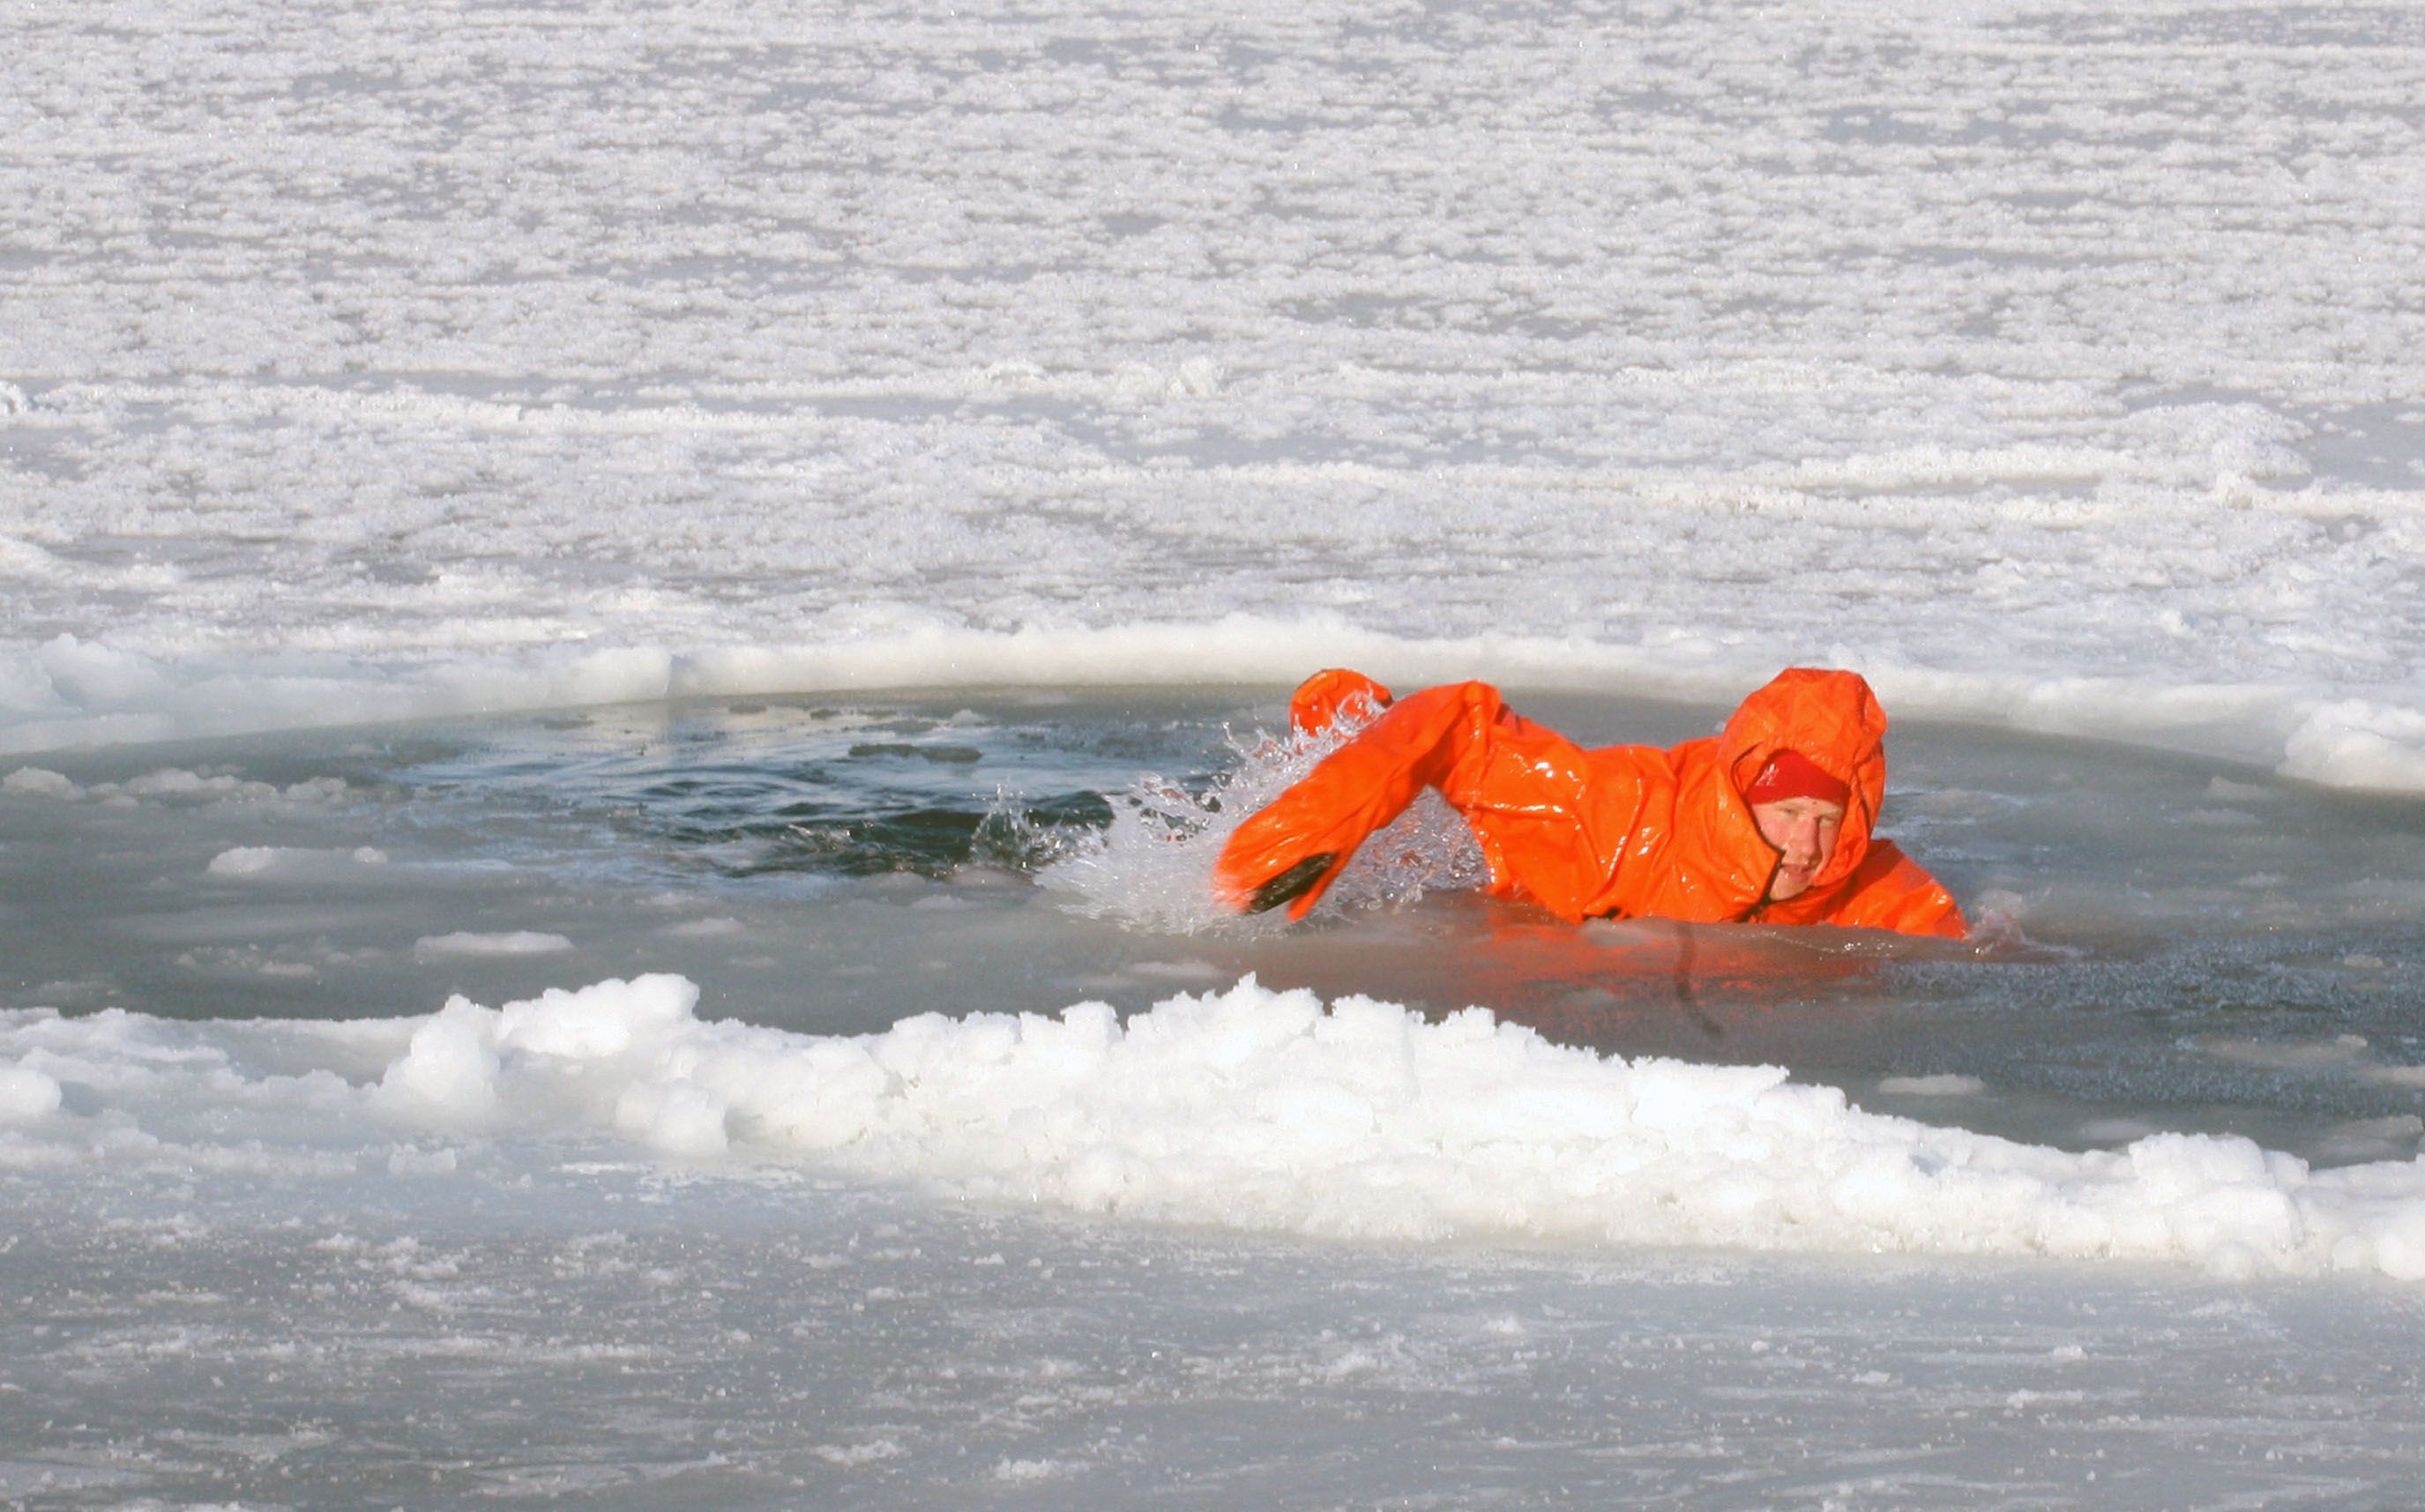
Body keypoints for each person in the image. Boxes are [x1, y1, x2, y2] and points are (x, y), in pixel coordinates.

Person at [1212, 667, 1966, 939]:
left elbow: (1967, 967)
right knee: (1423, 853)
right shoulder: (1614, 815)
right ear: (1743, 799)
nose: (1808, 845)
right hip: (1506, 878)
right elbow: (1457, 724)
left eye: (1829, 821)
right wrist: (1321, 818)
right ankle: (1343, 726)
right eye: (1791, 814)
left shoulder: (1868, 889)